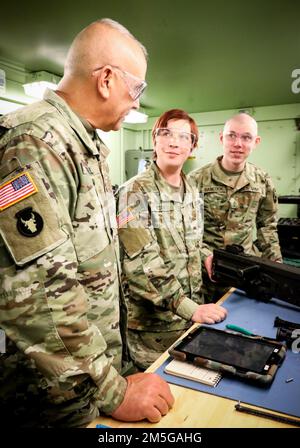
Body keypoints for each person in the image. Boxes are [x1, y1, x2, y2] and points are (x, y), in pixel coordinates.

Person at [0, 18, 174, 428]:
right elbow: (40, 295)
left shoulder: (86, 143)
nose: (137, 102)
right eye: (138, 89)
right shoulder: (36, 141)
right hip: (55, 395)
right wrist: (114, 391)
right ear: (107, 79)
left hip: (90, 380)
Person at [117, 109, 227, 370]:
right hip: (153, 327)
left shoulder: (191, 190)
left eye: (183, 136)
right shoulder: (134, 192)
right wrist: (188, 308)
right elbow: (140, 264)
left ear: (192, 146)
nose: (173, 142)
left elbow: (192, 241)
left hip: (190, 318)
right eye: (165, 133)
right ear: (155, 139)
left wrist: (205, 256)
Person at [188, 112, 282, 302]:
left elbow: (267, 227)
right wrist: (206, 257)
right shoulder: (196, 180)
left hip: (246, 274)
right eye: (232, 135)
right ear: (222, 138)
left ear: (256, 142)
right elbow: (187, 232)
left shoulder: (262, 180)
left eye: (246, 137)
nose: (238, 143)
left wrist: (277, 268)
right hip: (204, 274)